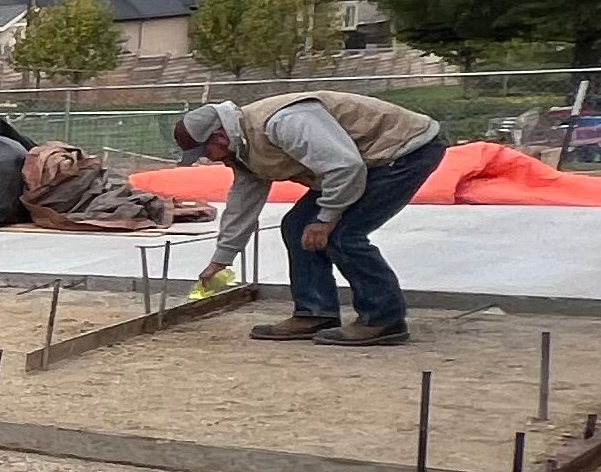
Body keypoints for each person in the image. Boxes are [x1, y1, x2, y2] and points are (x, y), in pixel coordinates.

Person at [174, 90, 448, 345]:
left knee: (343, 235)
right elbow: (241, 205)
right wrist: (221, 260)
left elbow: (344, 166)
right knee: (297, 227)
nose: (207, 160)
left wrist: (326, 218)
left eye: (205, 152)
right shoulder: (242, 150)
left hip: (401, 151)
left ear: (219, 136)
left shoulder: (283, 122)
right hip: (359, 164)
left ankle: (384, 319)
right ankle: (315, 312)